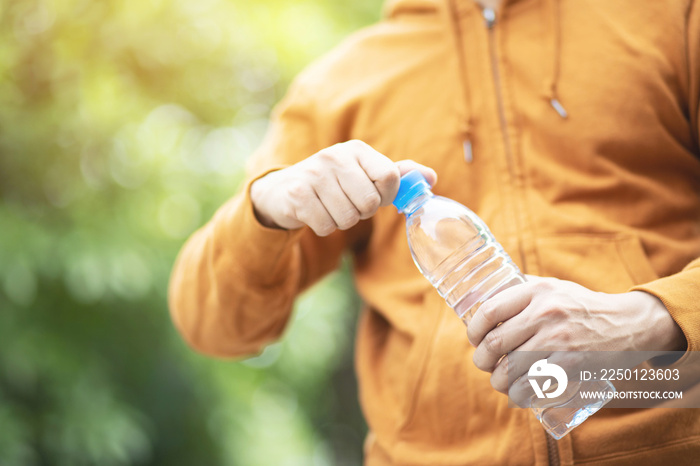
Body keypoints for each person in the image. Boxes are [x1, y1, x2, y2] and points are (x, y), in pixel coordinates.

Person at [168, 0, 700, 463]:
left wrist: (650, 317)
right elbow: (211, 326)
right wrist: (266, 206)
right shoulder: (340, 87)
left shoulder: (672, 17)